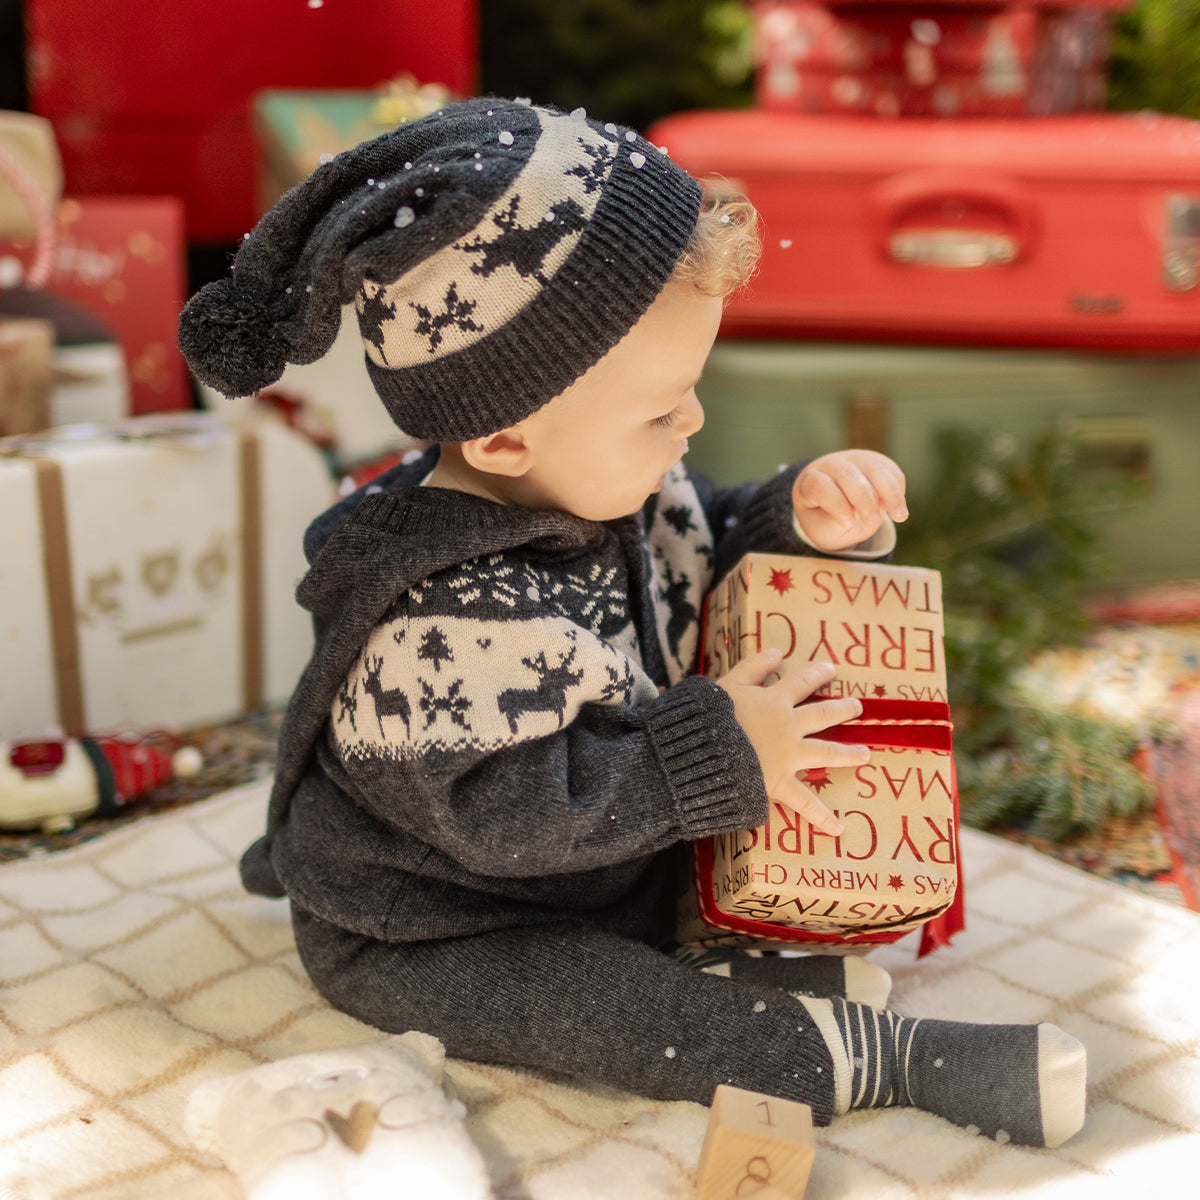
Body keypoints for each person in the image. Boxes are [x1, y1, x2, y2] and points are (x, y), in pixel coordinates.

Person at [179, 97, 1085, 1149]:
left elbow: (708, 543)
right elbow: (514, 817)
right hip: (447, 916)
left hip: (605, 865)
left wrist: (798, 511)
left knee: (672, 884)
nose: (689, 426)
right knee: (603, 1011)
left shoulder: (611, 480)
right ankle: (872, 1059)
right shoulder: (433, 627)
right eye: (664, 409)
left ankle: (701, 941)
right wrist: (713, 751)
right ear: (510, 439)